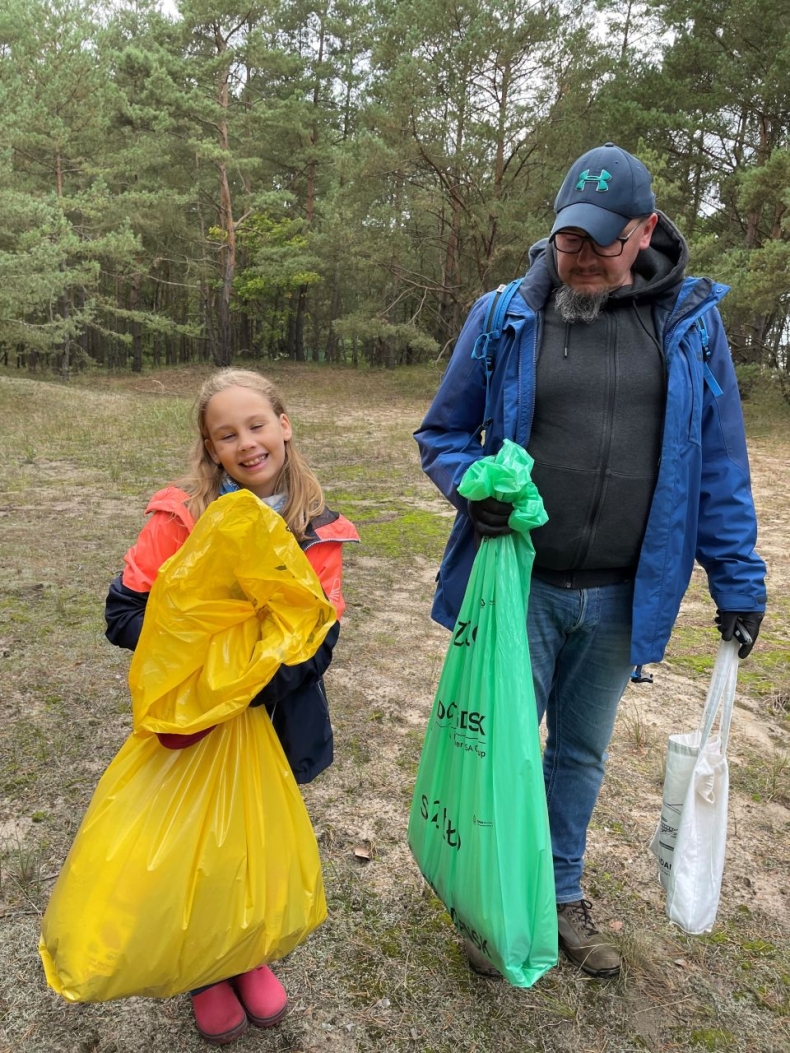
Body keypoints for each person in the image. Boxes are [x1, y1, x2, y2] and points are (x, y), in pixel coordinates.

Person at [415, 143, 767, 980]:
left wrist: (739, 580)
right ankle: (488, 898)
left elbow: (718, 462)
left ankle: (561, 893)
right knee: (501, 745)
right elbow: (441, 435)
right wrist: (474, 486)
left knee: (578, 754)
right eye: (568, 241)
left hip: (620, 596)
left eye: (601, 245)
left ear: (644, 231)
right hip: (518, 587)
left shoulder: (689, 325)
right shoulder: (504, 313)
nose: (577, 259)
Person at [105, 368, 359, 1044]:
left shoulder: (317, 528)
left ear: (284, 424)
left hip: (273, 719)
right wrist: (210, 656)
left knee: (253, 842)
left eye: (256, 425)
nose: (247, 443)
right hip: (194, 724)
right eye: (227, 434)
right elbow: (124, 612)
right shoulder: (180, 518)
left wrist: (249, 680)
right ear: (210, 448)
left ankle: (248, 952)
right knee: (197, 846)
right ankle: (202, 968)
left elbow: (317, 640)